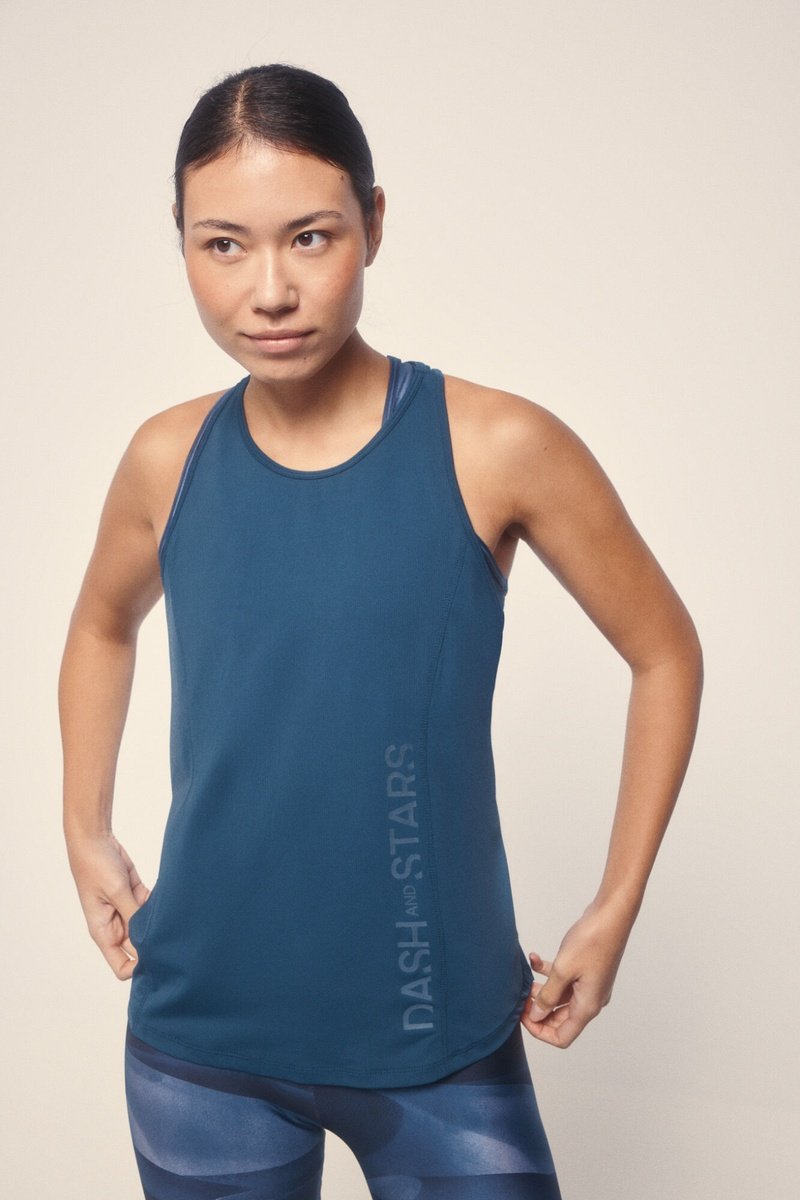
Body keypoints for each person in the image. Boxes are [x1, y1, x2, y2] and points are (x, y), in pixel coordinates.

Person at [59, 63, 703, 1199]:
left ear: (374, 223)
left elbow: (664, 652)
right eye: (223, 245)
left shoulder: (495, 445)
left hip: (438, 1032)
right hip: (201, 1038)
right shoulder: (168, 459)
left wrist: (615, 906)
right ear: (183, 246)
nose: (269, 290)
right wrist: (84, 824)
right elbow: (103, 624)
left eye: (309, 237)